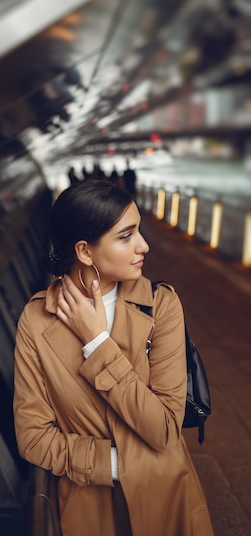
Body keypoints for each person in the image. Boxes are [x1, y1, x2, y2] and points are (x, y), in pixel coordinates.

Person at [13, 179, 214, 536]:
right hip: (89, 510)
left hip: (167, 500)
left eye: (139, 231)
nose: (144, 245)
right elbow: (33, 438)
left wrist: (96, 341)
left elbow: (166, 429)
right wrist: (116, 464)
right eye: (126, 236)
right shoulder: (36, 320)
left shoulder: (161, 305)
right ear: (85, 252)